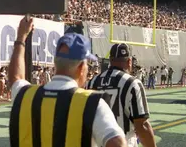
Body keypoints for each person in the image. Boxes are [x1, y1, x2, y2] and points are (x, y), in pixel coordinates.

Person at [9, 16, 127, 147]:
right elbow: (117, 143)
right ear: (81, 67)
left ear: (56, 63)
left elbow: (16, 78)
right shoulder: (91, 103)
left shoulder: (26, 96)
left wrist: (21, 37)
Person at [88, 43, 156, 147]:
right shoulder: (132, 83)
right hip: (124, 142)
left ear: (110, 60)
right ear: (129, 61)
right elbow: (142, 125)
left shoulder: (93, 82)